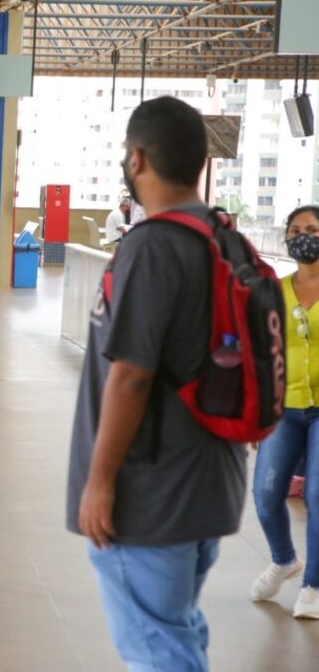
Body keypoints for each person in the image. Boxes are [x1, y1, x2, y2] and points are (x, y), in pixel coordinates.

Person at [66, 96, 247, 671]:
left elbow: (132, 375)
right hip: (208, 483)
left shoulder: (153, 246)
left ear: (137, 159)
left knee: (158, 653)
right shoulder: (225, 239)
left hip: (149, 494)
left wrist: (98, 483)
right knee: (178, 634)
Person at [250, 204, 319, 619]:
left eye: (312, 229)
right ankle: (283, 559)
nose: (304, 236)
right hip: (283, 407)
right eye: (295, 230)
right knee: (265, 494)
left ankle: (312, 584)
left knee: (317, 495)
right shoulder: (275, 290)